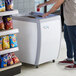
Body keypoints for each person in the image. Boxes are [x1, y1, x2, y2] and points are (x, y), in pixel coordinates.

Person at [37, 0, 76, 69]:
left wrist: (47, 13)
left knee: (74, 41)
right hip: (68, 19)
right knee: (67, 38)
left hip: (73, 20)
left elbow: (57, 5)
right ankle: (70, 58)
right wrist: (43, 4)